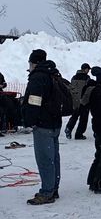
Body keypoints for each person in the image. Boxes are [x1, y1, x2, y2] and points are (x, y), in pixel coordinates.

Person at [22, 49, 62, 205]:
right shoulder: (53, 74)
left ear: (33, 62)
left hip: (43, 124)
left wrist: (29, 120)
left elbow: (34, 102)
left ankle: (47, 192)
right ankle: (53, 188)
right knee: (54, 158)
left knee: (45, 159)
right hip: (55, 122)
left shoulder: (38, 77)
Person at [65, 63, 92, 140]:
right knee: (83, 119)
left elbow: (71, 88)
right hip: (84, 101)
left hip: (75, 100)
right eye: (88, 69)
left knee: (74, 116)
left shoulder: (74, 77)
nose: (88, 71)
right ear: (85, 69)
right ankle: (79, 134)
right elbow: (88, 90)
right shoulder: (87, 78)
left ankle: (69, 128)